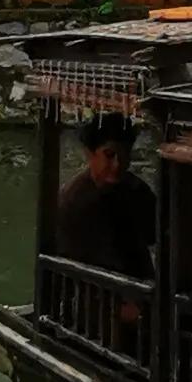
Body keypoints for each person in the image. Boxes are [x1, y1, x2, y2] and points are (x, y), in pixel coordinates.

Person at [56, 115, 155, 277]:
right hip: (96, 292)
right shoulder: (73, 200)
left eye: (124, 155)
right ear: (90, 154)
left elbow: (162, 226)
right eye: (109, 155)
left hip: (141, 287)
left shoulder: (134, 188)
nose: (117, 164)